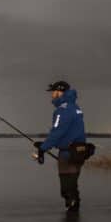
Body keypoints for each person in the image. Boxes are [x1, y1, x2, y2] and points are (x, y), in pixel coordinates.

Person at [33, 80, 86, 211]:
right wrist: (45, 144)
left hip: (68, 153)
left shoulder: (63, 110)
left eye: (53, 92)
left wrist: (43, 148)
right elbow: (65, 132)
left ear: (59, 92)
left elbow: (57, 132)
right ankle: (73, 216)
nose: (52, 95)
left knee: (67, 188)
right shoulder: (75, 107)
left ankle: (72, 215)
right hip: (79, 152)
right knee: (72, 185)